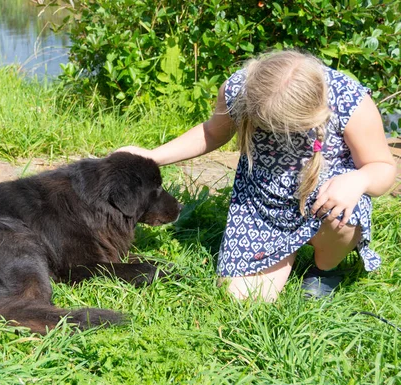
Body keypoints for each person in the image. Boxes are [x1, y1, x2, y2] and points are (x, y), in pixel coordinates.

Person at [116, 49, 396, 301]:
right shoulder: (240, 89)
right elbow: (212, 132)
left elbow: (383, 168)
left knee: (343, 218)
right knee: (241, 300)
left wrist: (358, 180)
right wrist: (153, 156)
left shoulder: (349, 99)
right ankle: (284, 252)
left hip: (324, 200)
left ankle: (325, 268)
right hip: (262, 206)